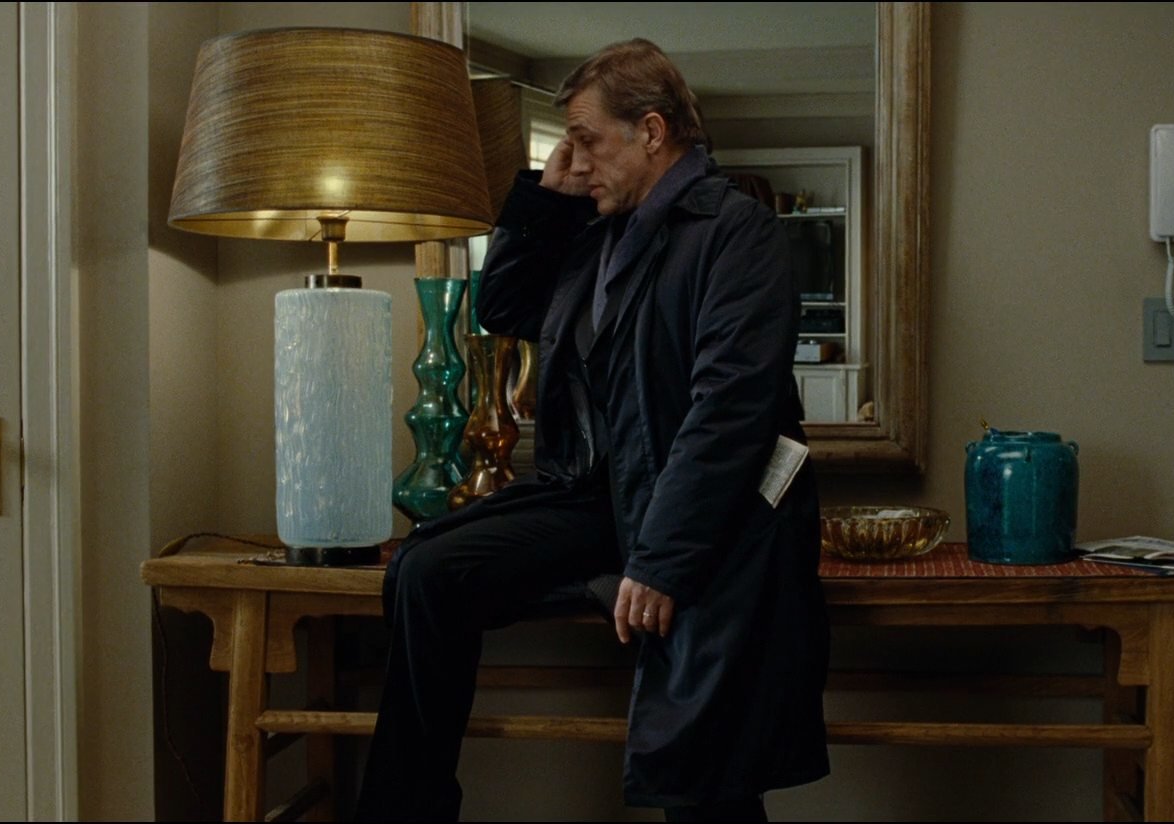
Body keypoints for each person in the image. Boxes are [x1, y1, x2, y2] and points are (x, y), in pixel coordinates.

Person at [353, 38, 830, 822]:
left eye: (586, 139)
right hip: (597, 498)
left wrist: (662, 561)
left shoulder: (735, 232)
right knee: (427, 570)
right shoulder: (599, 230)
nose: (575, 157)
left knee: (700, 766)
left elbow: (729, 412)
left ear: (652, 131)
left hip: (705, 515)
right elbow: (505, 308)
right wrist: (548, 199)